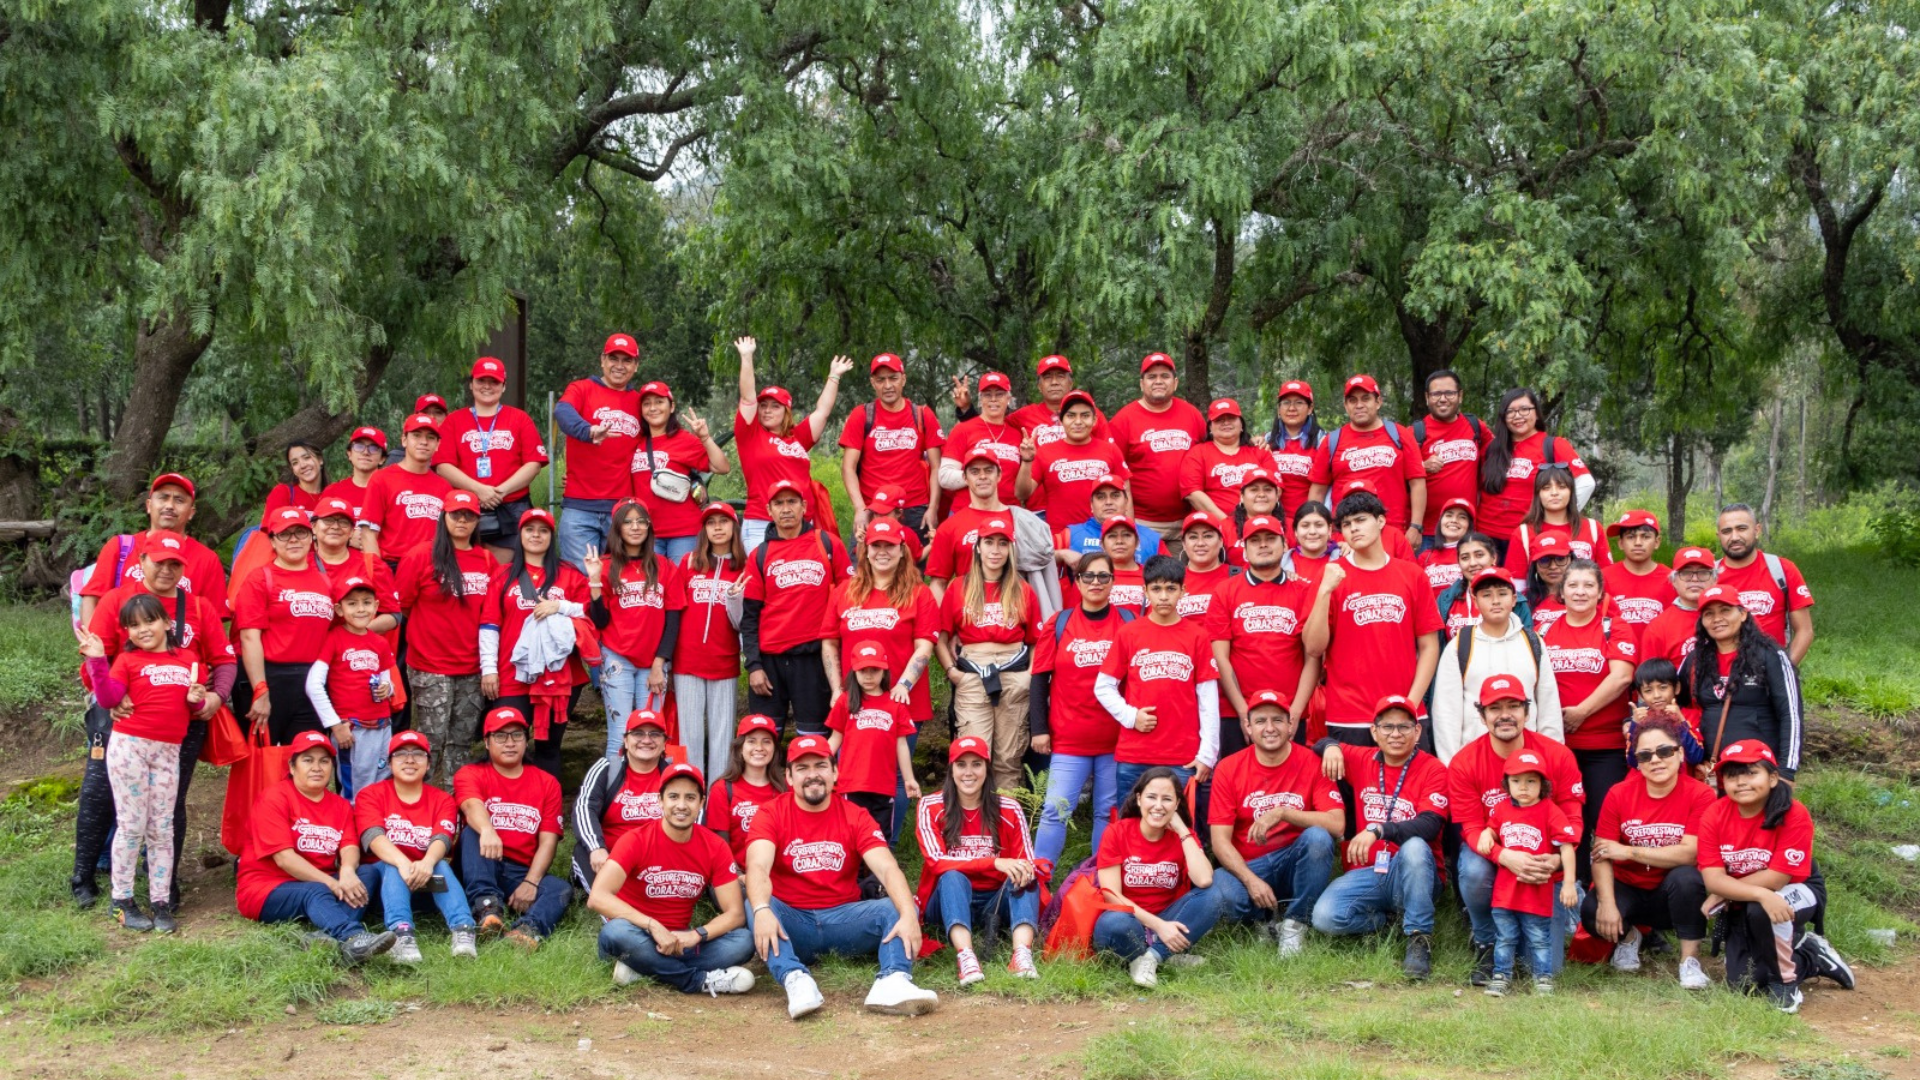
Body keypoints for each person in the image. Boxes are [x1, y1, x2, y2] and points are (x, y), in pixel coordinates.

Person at [71, 531, 235, 911]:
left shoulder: (197, 605)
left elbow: (224, 658)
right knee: (99, 793)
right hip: (121, 715)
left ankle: (164, 882)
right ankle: (83, 875)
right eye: (158, 561)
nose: (166, 569)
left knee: (170, 802)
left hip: (180, 720)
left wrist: (216, 696)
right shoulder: (116, 600)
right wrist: (113, 693)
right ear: (141, 562)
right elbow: (94, 656)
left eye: (174, 564)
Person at [745, 735, 939, 1019]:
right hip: (792, 922)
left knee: (894, 907)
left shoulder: (855, 815)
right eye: (802, 768)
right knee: (757, 903)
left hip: (844, 919)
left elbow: (886, 868)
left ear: (835, 772)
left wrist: (909, 913)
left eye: (821, 766)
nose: (813, 775)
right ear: (788, 776)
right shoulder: (770, 813)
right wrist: (762, 910)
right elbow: (758, 867)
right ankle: (795, 979)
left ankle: (893, 981)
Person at [77, 595, 206, 933]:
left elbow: (195, 702)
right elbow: (108, 698)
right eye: (133, 625)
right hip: (130, 747)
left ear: (166, 622)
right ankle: (121, 902)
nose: (142, 629)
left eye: (149, 621)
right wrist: (96, 662)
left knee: (162, 828)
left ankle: (160, 902)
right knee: (132, 825)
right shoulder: (126, 661)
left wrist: (197, 699)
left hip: (167, 751)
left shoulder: (189, 660)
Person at [1446, 674, 1584, 983]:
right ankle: (1485, 940)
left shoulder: (1558, 755)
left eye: (1513, 705)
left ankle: (1571, 902)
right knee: (1472, 869)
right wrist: (1503, 855)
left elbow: (1573, 818)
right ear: (1482, 716)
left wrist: (1558, 859)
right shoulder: (1464, 762)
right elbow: (1470, 827)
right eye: (1495, 708)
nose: (1505, 714)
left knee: (1546, 967)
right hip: (1495, 858)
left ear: (1527, 712)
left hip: (1543, 866)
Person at [1698, 742, 1854, 1012]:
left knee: (1763, 909)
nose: (1741, 782)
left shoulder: (1793, 813)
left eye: (1751, 773)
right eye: (1733, 776)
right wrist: (1749, 892)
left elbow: (1778, 878)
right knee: (1744, 983)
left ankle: (1786, 984)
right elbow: (1712, 880)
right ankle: (1811, 957)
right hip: (1749, 896)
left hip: (1799, 888)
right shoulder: (1715, 813)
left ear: (1772, 778)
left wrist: (1731, 890)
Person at [1311, 697, 1450, 980]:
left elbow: (1430, 825)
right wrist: (1332, 747)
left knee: (1413, 847)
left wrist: (1379, 829)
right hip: (1371, 872)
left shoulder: (1433, 768)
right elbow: (1317, 743)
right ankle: (1385, 923)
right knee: (1324, 916)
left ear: (1418, 732)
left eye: (1404, 726)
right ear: (1374, 732)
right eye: (1387, 727)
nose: (1396, 734)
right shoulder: (1363, 759)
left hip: (1415, 874)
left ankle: (1418, 938)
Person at [589, 761, 757, 994]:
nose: (681, 805)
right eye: (673, 796)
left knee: (743, 941)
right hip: (636, 936)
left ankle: (643, 970)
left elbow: (736, 914)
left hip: (680, 942)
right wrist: (651, 924)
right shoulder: (635, 840)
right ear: (660, 801)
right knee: (615, 932)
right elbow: (597, 897)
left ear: (701, 803)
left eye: (690, 798)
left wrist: (696, 935)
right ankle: (697, 981)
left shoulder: (715, 846)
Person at [235, 730, 396, 964]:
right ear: (292, 767)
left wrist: (348, 871)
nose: (317, 767)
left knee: (367, 873)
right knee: (315, 890)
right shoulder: (274, 798)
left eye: (324, 761)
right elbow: (284, 859)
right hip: (265, 888)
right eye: (307, 760)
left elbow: (349, 846)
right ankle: (351, 937)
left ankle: (323, 936)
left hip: (315, 883)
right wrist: (331, 882)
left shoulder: (339, 805)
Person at [1582, 713, 1715, 990]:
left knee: (1688, 878)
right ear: (1637, 763)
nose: (1655, 760)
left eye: (1665, 751)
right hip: (1629, 887)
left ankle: (1689, 960)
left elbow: (1690, 853)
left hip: (1672, 893)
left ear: (1680, 755)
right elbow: (1602, 853)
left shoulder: (1701, 795)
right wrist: (1607, 903)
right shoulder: (1619, 793)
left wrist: (1630, 852)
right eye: (1645, 755)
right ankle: (1629, 937)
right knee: (1593, 910)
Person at [1303, 491, 1443, 746]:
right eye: (1346, 524)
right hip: (1349, 716)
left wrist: (1410, 704)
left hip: (1406, 713)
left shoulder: (1412, 575)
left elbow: (1429, 646)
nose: (1353, 528)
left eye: (1360, 520)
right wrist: (1324, 591)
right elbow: (1313, 647)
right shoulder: (1331, 577)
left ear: (1380, 521)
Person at [1207, 691, 1343, 954]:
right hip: (1251, 865)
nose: (1270, 728)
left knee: (1318, 838)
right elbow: (1219, 841)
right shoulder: (1228, 767)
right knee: (1220, 889)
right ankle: (1264, 920)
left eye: (1278, 720)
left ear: (1291, 725)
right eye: (1260, 721)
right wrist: (1250, 880)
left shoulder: (1312, 762)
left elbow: (1337, 824)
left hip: (1295, 865)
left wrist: (1283, 812)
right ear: (1247, 726)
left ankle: (1295, 924)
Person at [915, 736, 1043, 983]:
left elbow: (1027, 863)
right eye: (961, 765)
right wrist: (994, 862)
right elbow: (936, 862)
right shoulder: (930, 806)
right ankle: (966, 956)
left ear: (987, 768)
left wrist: (1021, 870)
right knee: (952, 875)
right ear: (951, 769)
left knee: (1026, 878)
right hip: (945, 900)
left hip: (995, 902)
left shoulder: (1010, 808)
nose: (969, 772)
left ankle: (1021, 955)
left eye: (976, 764)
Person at [1029, 551, 1126, 868]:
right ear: (1077, 580)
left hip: (1116, 739)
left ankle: (1101, 881)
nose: (1096, 582)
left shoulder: (1127, 622)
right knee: (1055, 809)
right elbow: (1040, 679)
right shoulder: (1059, 623)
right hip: (1069, 739)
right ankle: (1040, 882)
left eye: (1103, 576)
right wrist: (1039, 729)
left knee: (1107, 811)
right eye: (1089, 576)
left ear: (1113, 581)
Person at [1097, 555, 1222, 800]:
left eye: (1171, 589)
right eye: (1156, 589)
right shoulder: (1129, 633)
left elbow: (1208, 698)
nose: (1163, 596)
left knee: (1180, 829)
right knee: (1130, 827)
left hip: (1182, 757)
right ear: (1145, 591)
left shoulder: (1197, 636)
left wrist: (1207, 753)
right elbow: (1103, 686)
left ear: (1183, 591)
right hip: (1135, 753)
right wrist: (1131, 716)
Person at [482, 508, 592, 778]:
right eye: (530, 529)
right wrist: (489, 669)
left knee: (549, 747)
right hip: (511, 674)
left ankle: (548, 813)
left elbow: (591, 614)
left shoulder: (569, 574)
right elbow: (489, 624)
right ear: (519, 535)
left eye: (543, 530)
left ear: (551, 536)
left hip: (561, 676)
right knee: (505, 744)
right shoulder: (503, 575)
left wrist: (560, 606)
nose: (536, 535)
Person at [1542, 559, 1637, 867]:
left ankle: (1614, 894)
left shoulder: (1615, 627)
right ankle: (1576, 892)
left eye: (1588, 586)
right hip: (1559, 748)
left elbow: (1622, 676)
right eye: (1573, 585)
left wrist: (1581, 712)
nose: (1580, 592)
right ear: (1561, 591)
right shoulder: (1544, 631)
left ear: (1600, 593)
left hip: (1605, 749)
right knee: (1567, 823)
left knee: (1605, 821)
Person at [353, 730, 479, 962]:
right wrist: (403, 863)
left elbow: (442, 838)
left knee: (439, 863)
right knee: (392, 865)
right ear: (389, 763)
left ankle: (463, 930)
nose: (410, 760)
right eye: (401, 754)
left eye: (418, 754)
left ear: (428, 762)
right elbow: (373, 836)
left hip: (426, 882)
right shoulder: (371, 794)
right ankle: (402, 934)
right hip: (382, 884)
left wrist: (427, 863)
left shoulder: (442, 799)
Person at [395, 491, 492, 787]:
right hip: (429, 663)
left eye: (469, 515)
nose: (462, 520)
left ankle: (455, 805)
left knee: (461, 741)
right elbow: (404, 604)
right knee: (430, 738)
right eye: (456, 514)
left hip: (471, 666)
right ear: (444, 517)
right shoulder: (420, 555)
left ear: (477, 520)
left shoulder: (486, 558)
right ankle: (419, 799)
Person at [1094, 767, 1223, 987]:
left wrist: (1183, 830)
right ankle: (1165, 954)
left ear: (1176, 804)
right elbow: (1111, 896)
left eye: (1167, 799)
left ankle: (1151, 958)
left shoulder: (1183, 837)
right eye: (1151, 797)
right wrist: (1160, 926)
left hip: (1168, 917)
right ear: (1138, 799)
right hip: (1130, 921)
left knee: (1213, 896)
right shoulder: (1117, 832)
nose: (1158, 806)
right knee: (1114, 922)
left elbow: (1204, 881)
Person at [743, 479, 853, 737]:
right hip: (770, 663)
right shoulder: (760, 554)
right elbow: (749, 617)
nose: (786, 509)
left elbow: (850, 599)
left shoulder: (827, 544)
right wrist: (754, 666)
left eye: (792, 501)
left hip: (813, 659)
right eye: (778, 503)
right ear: (769, 510)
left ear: (804, 506)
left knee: (814, 740)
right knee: (763, 739)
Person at [938, 517, 1040, 793]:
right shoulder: (959, 587)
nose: (996, 550)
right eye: (989, 542)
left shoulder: (1022, 590)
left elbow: (1036, 641)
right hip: (972, 675)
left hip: (1014, 675)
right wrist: (952, 672)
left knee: (1008, 758)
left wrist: (1029, 676)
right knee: (972, 754)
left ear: (1010, 549)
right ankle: (971, 826)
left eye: (1002, 543)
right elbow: (941, 636)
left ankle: (1005, 825)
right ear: (978, 547)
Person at [822, 518, 938, 759]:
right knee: (851, 771)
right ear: (866, 551)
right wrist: (836, 689)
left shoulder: (920, 594)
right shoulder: (844, 592)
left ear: (902, 551)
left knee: (896, 776)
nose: (882, 552)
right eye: (876, 546)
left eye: (890, 545)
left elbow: (924, 647)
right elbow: (830, 643)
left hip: (903, 701)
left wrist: (903, 685)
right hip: (854, 701)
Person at [454, 708, 570, 950]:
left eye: (517, 735)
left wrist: (531, 882)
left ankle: (527, 930)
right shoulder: (471, 773)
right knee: (473, 833)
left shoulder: (546, 782)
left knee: (560, 889)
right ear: (486, 742)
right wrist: (487, 829)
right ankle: (488, 909)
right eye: (500, 736)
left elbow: (548, 840)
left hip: (518, 870)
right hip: (479, 861)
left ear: (526, 741)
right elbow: (470, 804)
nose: (509, 743)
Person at [1209, 514, 1320, 756]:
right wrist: (1242, 711)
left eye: (1270, 538)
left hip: (1288, 711)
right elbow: (1220, 657)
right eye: (1255, 540)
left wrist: (1296, 712)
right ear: (1245, 550)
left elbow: (1312, 657)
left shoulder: (1304, 591)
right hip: (1235, 711)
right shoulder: (1225, 591)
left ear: (1285, 545)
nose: (1263, 545)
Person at [731, 335, 854, 551]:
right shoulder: (750, 434)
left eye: (775, 406)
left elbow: (822, 411)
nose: (767, 410)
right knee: (764, 579)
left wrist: (834, 376)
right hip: (762, 522)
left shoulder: (798, 437)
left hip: (801, 523)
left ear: (786, 410)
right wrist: (747, 357)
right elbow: (748, 397)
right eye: (764, 406)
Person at [1431, 567, 1562, 764]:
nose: (1495, 601)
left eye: (1502, 594)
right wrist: (1452, 765)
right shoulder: (1460, 645)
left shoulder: (1533, 642)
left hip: (1527, 761)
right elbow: (1446, 712)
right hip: (1475, 760)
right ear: (1475, 601)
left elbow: (1548, 704)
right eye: (1486, 595)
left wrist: (1551, 759)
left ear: (1514, 598)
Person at [1475, 750, 1579, 996]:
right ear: (1506, 784)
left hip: (1536, 893)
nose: (1523, 787)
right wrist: (1485, 834)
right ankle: (1501, 976)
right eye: (1516, 781)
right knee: (1505, 937)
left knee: (1539, 939)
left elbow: (1566, 847)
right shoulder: (1501, 809)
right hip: (1505, 893)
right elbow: (1492, 829)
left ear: (1542, 785)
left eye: (1531, 781)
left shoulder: (1549, 810)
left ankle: (1543, 979)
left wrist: (1569, 883)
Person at [584, 499, 678, 761]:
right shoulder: (604, 565)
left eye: (641, 521)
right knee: (620, 734)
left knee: (653, 733)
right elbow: (599, 621)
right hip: (617, 658)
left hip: (654, 662)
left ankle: (650, 797)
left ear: (649, 526)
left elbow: (673, 620)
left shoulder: (665, 566)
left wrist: (660, 663)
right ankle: (616, 798)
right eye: (628, 522)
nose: (635, 527)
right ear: (617, 528)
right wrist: (594, 580)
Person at [1679, 586, 1805, 777]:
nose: (1717, 619)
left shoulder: (1770, 655)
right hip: (1710, 773)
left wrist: (1786, 771)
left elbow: (1791, 714)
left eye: (1725, 610)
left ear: (1744, 614)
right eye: (1708, 614)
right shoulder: (1695, 660)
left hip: (1757, 773)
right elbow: (1672, 704)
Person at [236, 508, 336, 745]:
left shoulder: (324, 580)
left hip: (312, 679)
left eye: (300, 533)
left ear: (311, 536)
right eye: (284, 534)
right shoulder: (260, 579)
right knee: (263, 760)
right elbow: (250, 638)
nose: (293, 540)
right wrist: (260, 690)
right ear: (272, 539)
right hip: (271, 676)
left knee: (307, 754)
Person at [434, 357, 549, 562]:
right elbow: (443, 466)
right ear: (471, 384)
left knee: (505, 573)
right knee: (467, 568)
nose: (487, 386)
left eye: (494, 382)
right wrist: (479, 490)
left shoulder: (520, 418)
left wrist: (500, 491)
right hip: (466, 508)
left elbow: (533, 464)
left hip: (511, 506)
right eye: (481, 381)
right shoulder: (454, 420)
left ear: (503, 386)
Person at [79, 472, 231, 627]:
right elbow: (92, 598)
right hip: (122, 646)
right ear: (148, 506)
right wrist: (94, 646)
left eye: (179, 500)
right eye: (163, 497)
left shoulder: (207, 559)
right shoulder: (120, 547)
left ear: (191, 513)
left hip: (180, 646)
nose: (170, 505)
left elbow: (214, 621)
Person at [305, 574, 399, 795]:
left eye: (366, 603)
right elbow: (313, 684)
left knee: (383, 780)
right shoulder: (334, 638)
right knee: (356, 789)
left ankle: (374, 826)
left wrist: (389, 688)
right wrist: (335, 724)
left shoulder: (379, 642)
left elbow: (387, 679)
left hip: (382, 725)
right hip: (352, 728)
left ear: (376, 606)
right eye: (352, 603)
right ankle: (354, 827)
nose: (360, 609)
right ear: (339, 610)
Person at [553, 333, 642, 570]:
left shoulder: (640, 401)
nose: (619, 366)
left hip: (623, 509)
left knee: (622, 581)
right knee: (581, 582)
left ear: (636, 366)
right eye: (614, 358)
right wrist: (588, 431)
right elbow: (562, 412)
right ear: (603, 360)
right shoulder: (582, 388)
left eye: (627, 360)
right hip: (580, 507)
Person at [1308, 374, 1426, 548]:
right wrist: (1317, 528)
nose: (1359, 405)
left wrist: (1416, 526)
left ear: (1378, 402)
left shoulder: (1400, 435)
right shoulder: (1332, 441)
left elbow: (1417, 483)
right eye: (1352, 400)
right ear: (1346, 406)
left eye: (1366, 398)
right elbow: (1317, 491)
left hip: (1391, 530)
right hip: (1346, 534)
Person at [674, 503, 748, 780]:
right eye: (710, 522)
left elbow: (743, 623)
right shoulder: (689, 563)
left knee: (723, 740)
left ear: (734, 527)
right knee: (689, 737)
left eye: (724, 521)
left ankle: (717, 803)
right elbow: (675, 611)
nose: (717, 527)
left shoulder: (744, 567)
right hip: (687, 662)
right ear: (704, 529)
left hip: (724, 662)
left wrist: (733, 598)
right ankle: (688, 799)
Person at [1477, 388, 1592, 559]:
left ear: (1536, 413)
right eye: (1511, 411)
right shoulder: (1491, 449)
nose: (1518, 416)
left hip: (1527, 538)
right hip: (1485, 540)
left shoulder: (1553, 445)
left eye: (1524, 409)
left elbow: (1586, 482)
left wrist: (1557, 518)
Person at [1108, 353, 1207, 552]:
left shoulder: (1192, 415)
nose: (1158, 381)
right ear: (1142, 384)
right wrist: (1128, 525)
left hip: (1188, 524)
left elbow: (1212, 453)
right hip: (1145, 524)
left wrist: (1252, 442)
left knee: (1185, 581)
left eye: (1165, 376)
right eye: (1152, 377)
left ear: (1175, 382)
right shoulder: (1123, 420)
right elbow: (1115, 474)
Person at [841, 352, 945, 539]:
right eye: (881, 380)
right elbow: (848, 467)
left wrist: (933, 508)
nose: (887, 385)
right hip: (874, 508)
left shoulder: (922, 415)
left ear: (903, 379)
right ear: (873, 382)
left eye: (893, 378)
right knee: (862, 566)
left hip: (914, 508)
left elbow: (937, 466)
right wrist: (859, 508)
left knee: (915, 566)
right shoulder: (862, 415)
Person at [827, 641, 920, 842]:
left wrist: (909, 779)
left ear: (884, 671)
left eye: (874, 670)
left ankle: (877, 874)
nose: (868, 676)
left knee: (880, 838)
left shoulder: (895, 705)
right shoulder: (846, 701)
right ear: (854, 672)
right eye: (863, 671)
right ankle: (854, 874)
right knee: (850, 836)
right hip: (851, 785)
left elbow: (902, 744)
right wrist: (820, 768)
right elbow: (834, 740)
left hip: (884, 787)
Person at [629, 381, 731, 561]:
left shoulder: (684, 440)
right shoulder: (635, 442)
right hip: (648, 533)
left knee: (682, 585)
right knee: (653, 587)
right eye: (647, 403)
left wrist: (705, 437)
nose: (653, 408)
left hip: (684, 533)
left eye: (659, 402)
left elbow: (722, 467)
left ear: (671, 406)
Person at [571, 709, 670, 890]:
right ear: (625, 740)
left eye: (655, 734)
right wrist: (596, 847)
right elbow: (584, 807)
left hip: (659, 859)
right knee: (582, 851)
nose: (646, 740)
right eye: (638, 733)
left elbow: (695, 816)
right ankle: (609, 901)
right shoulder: (607, 768)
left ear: (664, 743)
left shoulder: (675, 775)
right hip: (610, 858)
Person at [1714, 503, 1815, 664]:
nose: (1734, 537)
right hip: (1723, 673)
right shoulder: (1708, 577)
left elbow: (1805, 630)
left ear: (1757, 530)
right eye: (1727, 531)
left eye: (1741, 529)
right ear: (1719, 535)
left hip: (1770, 667)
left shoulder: (1782, 569)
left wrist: (1783, 670)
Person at [1019, 389, 1128, 526]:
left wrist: (1129, 528)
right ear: (1061, 420)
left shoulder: (1110, 450)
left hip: (1102, 536)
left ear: (1094, 420)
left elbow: (1126, 493)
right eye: (1071, 416)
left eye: (1085, 415)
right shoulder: (1046, 452)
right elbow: (1022, 494)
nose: (1078, 422)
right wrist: (1026, 461)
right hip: (1061, 538)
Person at [358, 414, 451, 566]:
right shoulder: (382, 479)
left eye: (430, 437)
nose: (423, 442)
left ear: (438, 444)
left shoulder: (444, 486)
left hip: (432, 568)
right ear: (404, 440)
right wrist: (378, 575)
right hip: (393, 565)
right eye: (416, 435)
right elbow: (368, 534)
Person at [926, 449, 1017, 596]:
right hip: (967, 612)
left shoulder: (1019, 520)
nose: (982, 476)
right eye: (974, 472)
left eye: (988, 470)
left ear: (999, 475)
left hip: (1012, 610)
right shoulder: (950, 527)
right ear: (965, 478)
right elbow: (938, 584)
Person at [1414, 369, 1492, 538]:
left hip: (1467, 529)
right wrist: (1422, 467)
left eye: (1449, 393)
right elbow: (1397, 476)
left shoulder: (1475, 427)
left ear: (1460, 396)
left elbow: (1500, 454)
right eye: (1436, 394)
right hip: (1428, 531)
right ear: (1427, 398)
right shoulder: (1415, 433)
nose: (1443, 399)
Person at [309, 497, 402, 628]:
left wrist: (353, 634)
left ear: (352, 531)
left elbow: (394, 615)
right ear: (313, 527)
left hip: (354, 647)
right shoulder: (301, 565)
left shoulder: (371, 564)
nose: (335, 526)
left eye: (343, 522)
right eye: (328, 520)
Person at [706, 714, 787, 864]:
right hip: (737, 877)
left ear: (774, 749)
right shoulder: (722, 789)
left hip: (778, 879)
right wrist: (739, 877)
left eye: (766, 742)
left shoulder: (785, 789)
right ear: (740, 748)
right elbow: (719, 846)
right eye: (751, 741)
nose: (759, 748)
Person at [1503, 465, 1610, 575]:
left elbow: (1606, 577)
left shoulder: (1593, 528)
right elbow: (1517, 585)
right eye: (1546, 488)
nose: (1554, 493)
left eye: (1562, 487)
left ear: (1571, 492)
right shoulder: (1523, 533)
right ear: (1537, 494)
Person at [940, 372, 1024, 513]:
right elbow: (944, 476)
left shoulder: (1017, 434)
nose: (993, 399)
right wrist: (978, 478)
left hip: (1006, 514)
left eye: (999, 394)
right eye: (987, 395)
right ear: (980, 399)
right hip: (966, 512)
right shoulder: (963, 429)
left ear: (1009, 398)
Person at [1008, 353, 1112, 466]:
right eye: (1047, 377)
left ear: (1070, 383)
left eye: (1060, 376)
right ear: (1039, 386)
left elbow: (1110, 454)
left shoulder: (1090, 414)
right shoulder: (1023, 415)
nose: (1054, 382)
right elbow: (995, 427)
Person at [1054, 473, 1164, 574]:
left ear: (1126, 502)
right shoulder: (1071, 535)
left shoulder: (1151, 538)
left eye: (1115, 496)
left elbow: (1171, 577)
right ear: (1091, 505)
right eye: (1100, 497)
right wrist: (1061, 554)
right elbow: (1040, 558)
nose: (1108, 502)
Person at [1179, 398, 1269, 521]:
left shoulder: (1260, 451)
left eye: (1231, 418)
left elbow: (1275, 489)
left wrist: (1251, 521)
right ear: (1210, 427)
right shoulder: (1197, 453)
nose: (1226, 423)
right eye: (1219, 420)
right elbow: (1193, 494)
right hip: (1212, 528)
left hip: (1256, 525)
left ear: (1241, 424)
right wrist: (1227, 524)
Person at [1638, 545, 1719, 667]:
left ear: (1715, 579)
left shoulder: (1732, 618)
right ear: (1673, 581)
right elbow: (1649, 681)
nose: (1695, 579)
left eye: (1703, 572)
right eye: (1686, 573)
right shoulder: (1658, 628)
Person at [1602, 509, 1676, 633]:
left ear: (1657, 542)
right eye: (1630, 537)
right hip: (1617, 650)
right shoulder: (1604, 577)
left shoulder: (1672, 579)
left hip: (1658, 652)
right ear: (1621, 543)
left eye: (1645, 537)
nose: (1638, 543)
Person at [1264, 379, 1323, 525]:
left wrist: (1309, 522)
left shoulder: (1323, 441)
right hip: (1272, 521)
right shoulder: (1267, 441)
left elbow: (1322, 489)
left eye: (1299, 402)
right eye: (1286, 403)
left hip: (1306, 521)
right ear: (1279, 409)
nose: (1292, 408)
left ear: (1310, 408)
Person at [321, 425, 387, 530]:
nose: (365, 452)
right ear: (349, 454)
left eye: (373, 448)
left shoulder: (392, 492)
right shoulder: (332, 492)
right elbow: (321, 532)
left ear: (382, 459)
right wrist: (348, 539)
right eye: (359, 446)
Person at [1173, 511, 1235, 621]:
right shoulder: (1172, 580)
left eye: (1208, 536)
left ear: (1221, 541)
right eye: (1193, 537)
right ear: (1184, 544)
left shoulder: (1239, 577)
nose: (1200, 543)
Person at [261, 441, 327, 523]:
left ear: (320, 460)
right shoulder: (283, 493)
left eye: (306, 458)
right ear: (293, 470)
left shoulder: (333, 495)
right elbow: (268, 531)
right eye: (295, 463)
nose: (302, 465)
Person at [1418, 498, 1476, 593]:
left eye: (1462, 517)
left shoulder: (1475, 556)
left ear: (1469, 526)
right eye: (1449, 515)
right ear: (1440, 521)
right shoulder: (1425, 557)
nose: (1454, 520)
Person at [1522, 531, 1574, 630]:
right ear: (1535, 566)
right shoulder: (1523, 601)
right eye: (1544, 560)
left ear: (1571, 559)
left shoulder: (1588, 595)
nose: (1553, 566)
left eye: (1560, 559)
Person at [1279, 500, 1337, 585]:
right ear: (1295, 531)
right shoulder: (1280, 563)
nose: (1312, 531)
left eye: (1319, 525)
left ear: (1329, 529)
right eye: (1305, 526)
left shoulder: (1344, 558)